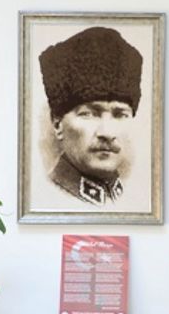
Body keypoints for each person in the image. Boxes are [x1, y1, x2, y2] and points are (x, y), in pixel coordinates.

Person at [37, 27, 141, 206]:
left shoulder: (131, 200)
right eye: (89, 114)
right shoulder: (44, 199)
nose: (107, 132)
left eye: (120, 114)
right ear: (57, 124)